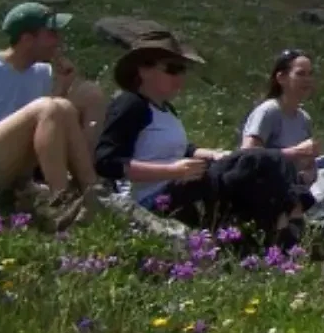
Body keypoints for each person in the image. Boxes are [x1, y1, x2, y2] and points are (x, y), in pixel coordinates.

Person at [94, 30, 305, 240]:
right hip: (155, 199)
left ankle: (281, 229)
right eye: (172, 69)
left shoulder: (166, 110)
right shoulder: (130, 105)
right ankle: (288, 229)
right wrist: (171, 172)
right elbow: (107, 161)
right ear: (144, 70)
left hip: (181, 185)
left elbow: (182, 149)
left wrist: (213, 154)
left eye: (182, 70)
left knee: (259, 162)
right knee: (257, 162)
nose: (180, 77)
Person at [0, 3, 102, 225]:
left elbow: (52, 123)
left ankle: (92, 193)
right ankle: (60, 201)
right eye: (51, 34)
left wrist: (63, 85)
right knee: (50, 107)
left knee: (64, 107)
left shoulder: (43, 74)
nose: (58, 41)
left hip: (11, 174)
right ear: (27, 39)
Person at [242, 50, 318, 185]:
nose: (307, 80)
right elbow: (248, 156)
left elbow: (308, 164)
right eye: (300, 74)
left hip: (296, 191)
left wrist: (310, 172)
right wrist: (294, 153)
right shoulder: (269, 111)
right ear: (281, 78)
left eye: (310, 74)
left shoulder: (304, 118)